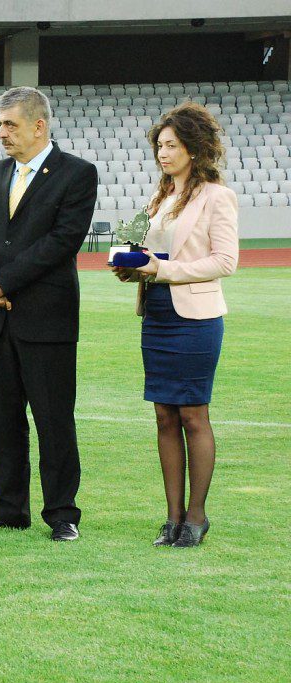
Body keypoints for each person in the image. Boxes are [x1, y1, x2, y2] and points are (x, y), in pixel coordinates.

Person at [0, 87, 98, 541]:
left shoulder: (77, 174)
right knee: (1, 419)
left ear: (39, 125)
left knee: (53, 418)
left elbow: (62, 241)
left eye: (10, 124)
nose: (2, 133)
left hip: (47, 317)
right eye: (0, 125)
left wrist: (5, 281)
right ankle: (8, 508)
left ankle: (61, 514)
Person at [113, 102, 238, 548]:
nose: (163, 153)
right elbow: (152, 256)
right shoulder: (159, 197)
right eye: (160, 146)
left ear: (193, 147)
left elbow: (225, 260)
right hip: (159, 316)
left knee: (193, 414)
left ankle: (197, 516)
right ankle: (172, 518)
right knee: (164, 414)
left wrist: (161, 271)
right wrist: (131, 268)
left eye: (171, 145)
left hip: (196, 319)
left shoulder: (216, 196)